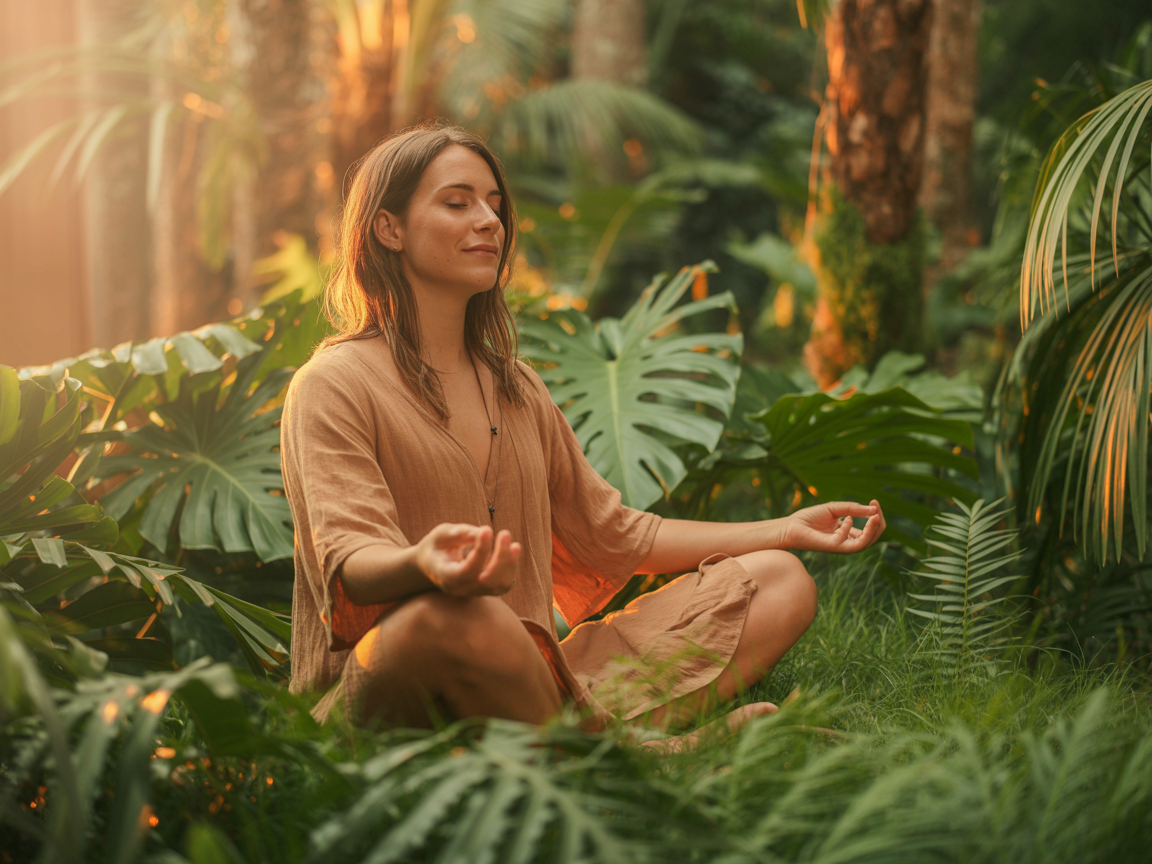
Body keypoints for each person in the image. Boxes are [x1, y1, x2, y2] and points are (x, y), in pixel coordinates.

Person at [280, 124, 886, 737]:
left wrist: (784, 530)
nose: (490, 220)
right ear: (389, 229)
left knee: (778, 581)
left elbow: (614, 534)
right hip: (395, 681)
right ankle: (645, 756)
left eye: (495, 204)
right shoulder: (333, 384)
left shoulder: (517, 387)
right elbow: (351, 560)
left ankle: (575, 734)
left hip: (531, 673)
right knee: (457, 617)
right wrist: (425, 565)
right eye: (458, 202)